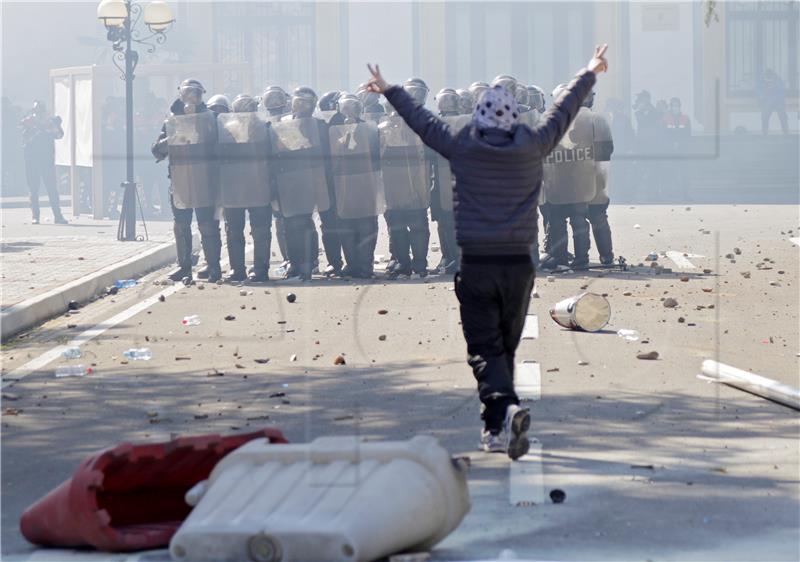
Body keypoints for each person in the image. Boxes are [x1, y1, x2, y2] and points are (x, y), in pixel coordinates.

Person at [364, 43, 608, 460]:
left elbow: (422, 122)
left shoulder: (463, 145)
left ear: (477, 116)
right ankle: (496, 426)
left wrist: (389, 89)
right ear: (515, 117)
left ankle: (502, 411)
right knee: (505, 347)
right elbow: (563, 110)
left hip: (476, 262)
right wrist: (589, 72)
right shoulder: (533, 143)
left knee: (484, 349)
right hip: (519, 264)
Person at [152, 79, 221, 282]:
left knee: (207, 224)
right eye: (187, 93)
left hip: (204, 178)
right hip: (180, 180)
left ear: (201, 96)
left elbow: (219, 144)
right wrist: (173, 136)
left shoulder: (210, 118)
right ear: (180, 95)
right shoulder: (171, 121)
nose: (191, 97)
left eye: (195, 94)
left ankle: (214, 266)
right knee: (181, 225)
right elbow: (157, 150)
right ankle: (184, 267)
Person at [270, 86, 331, 280]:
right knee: (288, 223)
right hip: (286, 179)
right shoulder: (282, 124)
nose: (301, 106)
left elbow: (325, 155)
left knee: (303, 222)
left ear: (313, 105)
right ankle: (295, 263)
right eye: (298, 102)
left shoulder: (319, 125)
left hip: (309, 179)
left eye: (306, 103)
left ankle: (309, 262)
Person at [379, 77, 433, 278]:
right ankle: (402, 264)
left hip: (418, 180)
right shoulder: (384, 125)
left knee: (418, 225)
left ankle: (419, 265)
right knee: (398, 227)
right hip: (394, 184)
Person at [328, 93, 382, 278]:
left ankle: (366, 266)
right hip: (343, 182)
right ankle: (352, 264)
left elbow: (376, 152)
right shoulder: (334, 128)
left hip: (365, 181)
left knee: (367, 224)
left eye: (353, 108)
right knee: (346, 225)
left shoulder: (369, 128)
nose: (349, 112)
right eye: (345, 108)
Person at [219, 94, 272, 282]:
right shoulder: (226, 130)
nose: (245, 112)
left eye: (248, 108)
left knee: (261, 229)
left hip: (258, 183)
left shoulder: (265, 128)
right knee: (233, 229)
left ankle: (260, 268)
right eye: (241, 108)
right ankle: (237, 268)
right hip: (233, 185)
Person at [430, 88, 465, 274]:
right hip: (442, 180)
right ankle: (451, 258)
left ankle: (456, 259)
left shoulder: (465, 121)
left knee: (449, 223)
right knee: (446, 222)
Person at [20, 100, 67, 224]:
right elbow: (24, 140)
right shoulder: (27, 123)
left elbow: (59, 135)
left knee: (52, 188)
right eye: (37, 111)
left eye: (41, 111)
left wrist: (50, 127)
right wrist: (35, 128)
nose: (39, 114)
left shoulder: (50, 122)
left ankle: (58, 216)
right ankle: (35, 216)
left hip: (47, 160)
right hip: (31, 160)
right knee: (33, 189)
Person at [758, 69, 789, 135]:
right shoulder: (761, 81)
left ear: (773, 75)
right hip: (767, 101)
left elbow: (782, 92)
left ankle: (785, 132)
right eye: (767, 76)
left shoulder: (778, 80)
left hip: (778, 101)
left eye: (770, 77)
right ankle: (764, 132)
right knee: (764, 116)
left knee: (782, 116)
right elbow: (759, 91)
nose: (769, 79)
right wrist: (762, 97)